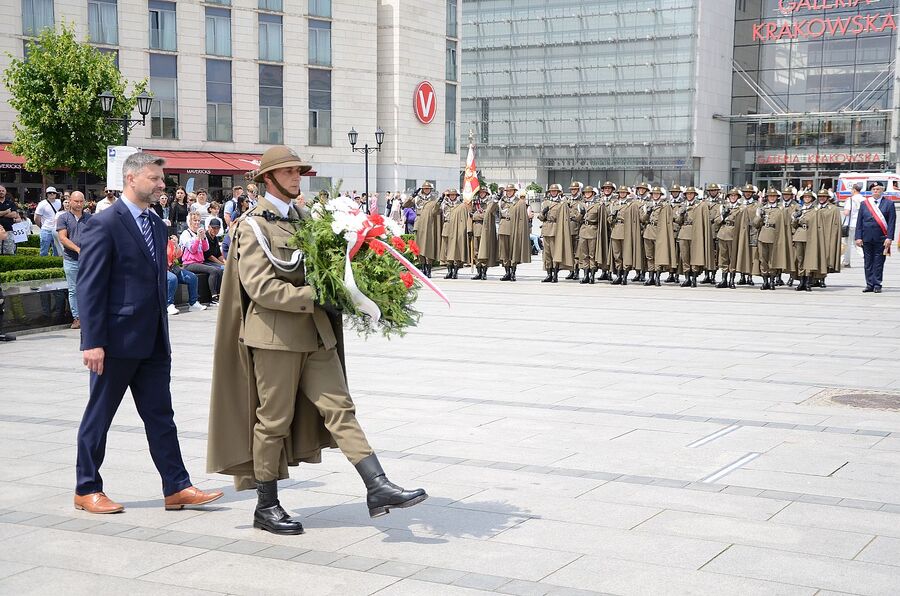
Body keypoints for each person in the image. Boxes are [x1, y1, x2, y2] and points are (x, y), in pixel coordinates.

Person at [207, 145, 426, 535]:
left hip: (315, 333)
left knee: (341, 409)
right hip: (275, 337)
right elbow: (261, 288)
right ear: (268, 179)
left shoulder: (306, 219)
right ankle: (266, 505)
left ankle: (377, 486)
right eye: (290, 172)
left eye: (298, 172)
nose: (297, 178)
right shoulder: (252, 226)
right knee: (272, 421)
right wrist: (316, 296)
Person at [74, 151, 223, 514]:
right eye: (155, 178)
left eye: (161, 179)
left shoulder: (156, 223)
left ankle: (177, 486)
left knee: (161, 416)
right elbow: (89, 286)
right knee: (100, 415)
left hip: (154, 341)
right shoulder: (104, 223)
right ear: (132, 179)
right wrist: (92, 341)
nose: (161, 185)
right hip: (116, 342)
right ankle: (86, 487)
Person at [56, 191, 91, 329]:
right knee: (74, 290)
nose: (79, 204)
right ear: (69, 201)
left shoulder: (90, 218)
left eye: (81, 201)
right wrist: (78, 249)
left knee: (89, 289)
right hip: (71, 259)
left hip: (88, 260)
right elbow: (63, 238)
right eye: (76, 201)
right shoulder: (63, 218)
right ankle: (77, 318)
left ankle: (88, 317)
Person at [857, 182, 896, 293]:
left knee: (879, 262)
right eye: (874, 189)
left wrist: (889, 237)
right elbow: (859, 221)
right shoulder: (865, 204)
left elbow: (891, 222)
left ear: (882, 190)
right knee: (868, 262)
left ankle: (877, 284)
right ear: (871, 191)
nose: (876, 191)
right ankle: (869, 284)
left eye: (878, 189)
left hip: (881, 238)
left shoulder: (889, 204)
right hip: (866, 238)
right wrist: (858, 237)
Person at [180, 212, 222, 304]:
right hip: (189, 263)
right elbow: (192, 249)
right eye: (195, 220)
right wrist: (198, 238)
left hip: (200, 262)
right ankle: (214, 297)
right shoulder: (185, 234)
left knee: (219, 270)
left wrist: (203, 238)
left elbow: (205, 249)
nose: (197, 223)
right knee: (213, 270)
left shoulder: (200, 232)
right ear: (190, 221)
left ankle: (219, 294)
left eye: (198, 221)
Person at [165, 235, 206, 316]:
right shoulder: (156, 241)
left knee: (192, 277)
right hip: (162, 270)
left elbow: (178, 255)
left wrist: (176, 245)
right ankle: (168, 305)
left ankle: (193, 303)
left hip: (173, 268)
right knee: (172, 279)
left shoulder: (169, 242)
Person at [471, 187, 498, 280]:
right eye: (480, 193)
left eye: (483, 192)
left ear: (486, 193)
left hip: (485, 229)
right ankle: (478, 271)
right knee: (476, 251)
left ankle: (484, 272)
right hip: (476, 228)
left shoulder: (490, 203)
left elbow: (487, 215)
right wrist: (477, 216)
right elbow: (471, 215)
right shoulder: (475, 203)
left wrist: (476, 215)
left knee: (484, 251)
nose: (482, 194)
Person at [35, 186, 62, 256]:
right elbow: (36, 218)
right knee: (44, 251)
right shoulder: (42, 204)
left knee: (57, 251)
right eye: (50, 193)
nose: (52, 194)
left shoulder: (60, 202)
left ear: (56, 194)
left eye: (53, 193)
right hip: (46, 230)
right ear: (47, 194)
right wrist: (42, 226)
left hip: (57, 230)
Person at [842, 183, 863, 268]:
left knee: (846, 244)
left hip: (850, 224)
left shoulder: (850, 199)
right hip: (860, 225)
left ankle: (846, 262)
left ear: (854, 190)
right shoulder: (864, 199)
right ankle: (866, 257)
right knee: (858, 243)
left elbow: (846, 212)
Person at [0, 185, 17, 255]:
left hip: (9, 230)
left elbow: (14, 215)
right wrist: (6, 212)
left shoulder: (10, 203)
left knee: (9, 252)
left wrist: (1, 213)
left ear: (5, 192)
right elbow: (10, 214)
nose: (1, 192)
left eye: (2, 191)